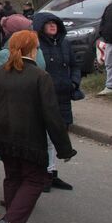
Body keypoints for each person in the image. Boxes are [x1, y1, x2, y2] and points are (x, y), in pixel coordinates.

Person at [0, 30, 75, 223]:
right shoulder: (40, 76)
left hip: (1, 137)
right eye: (36, 46)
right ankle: (12, 221)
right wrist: (64, 149)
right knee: (35, 179)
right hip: (29, 139)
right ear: (31, 49)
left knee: (13, 177)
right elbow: (52, 116)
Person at [32, 11, 80, 190]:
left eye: (55, 23)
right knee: (43, 137)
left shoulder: (65, 44)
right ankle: (41, 174)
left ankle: (51, 174)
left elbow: (75, 66)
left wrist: (74, 83)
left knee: (57, 135)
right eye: (49, 23)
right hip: (43, 98)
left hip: (63, 97)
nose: (53, 26)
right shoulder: (36, 45)